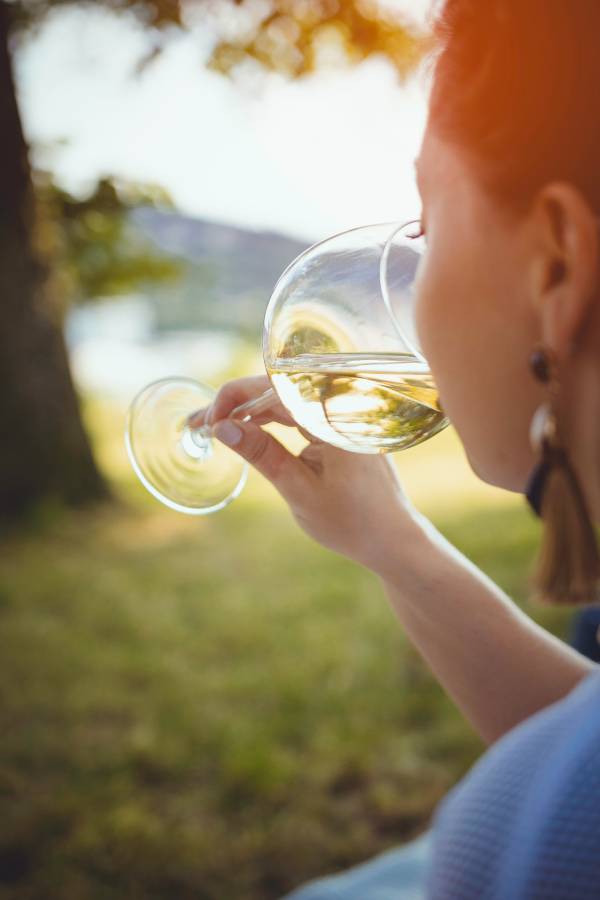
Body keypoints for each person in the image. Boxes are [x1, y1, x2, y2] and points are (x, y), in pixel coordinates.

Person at [195, 1, 600, 896]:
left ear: (558, 265)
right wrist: (388, 540)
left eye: (428, 219)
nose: (409, 280)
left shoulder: (518, 847)